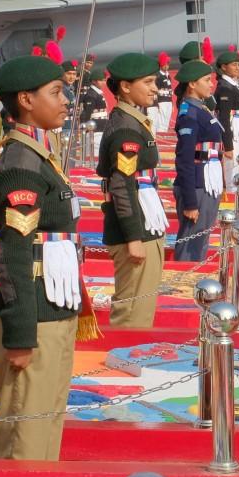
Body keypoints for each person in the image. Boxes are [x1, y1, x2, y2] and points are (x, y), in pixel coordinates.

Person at [0, 54, 81, 461]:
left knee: (45, 425)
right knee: (25, 440)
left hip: (52, 306)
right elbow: (14, 252)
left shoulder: (39, 156)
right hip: (33, 312)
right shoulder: (22, 165)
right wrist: (20, 334)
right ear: (26, 99)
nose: (66, 101)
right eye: (56, 92)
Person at [98, 52, 169, 327]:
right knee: (132, 312)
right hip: (134, 227)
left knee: (142, 304)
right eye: (148, 82)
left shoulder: (133, 122)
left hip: (144, 221)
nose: (155, 88)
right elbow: (122, 185)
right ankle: (122, 359)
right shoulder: (125, 130)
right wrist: (133, 237)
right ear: (125, 87)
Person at [173, 56, 225, 263]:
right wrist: (190, 203)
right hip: (197, 183)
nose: (211, 84)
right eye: (206, 80)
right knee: (190, 243)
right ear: (192, 84)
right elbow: (185, 159)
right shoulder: (189, 114)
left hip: (208, 179)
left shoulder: (200, 108)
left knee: (201, 238)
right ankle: (182, 286)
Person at [214, 44, 239, 188]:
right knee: (232, 175)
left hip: (238, 133)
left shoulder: (232, 85)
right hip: (232, 136)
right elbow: (223, 118)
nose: (237, 67)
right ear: (223, 67)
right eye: (233, 64)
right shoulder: (224, 87)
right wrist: (228, 146)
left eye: (238, 64)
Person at [152, 52, 176, 133]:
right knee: (161, 122)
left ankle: (164, 134)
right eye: (165, 63)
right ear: (161, 64)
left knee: (166, 121)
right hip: (161, 101)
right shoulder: (158, 76)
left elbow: (169, 89)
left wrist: (171, 102)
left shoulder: (168, 75)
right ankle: (160, 136)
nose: (167, 65)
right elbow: (155, 90)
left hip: (168, 101)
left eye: (168, 63)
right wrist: (156, 103)